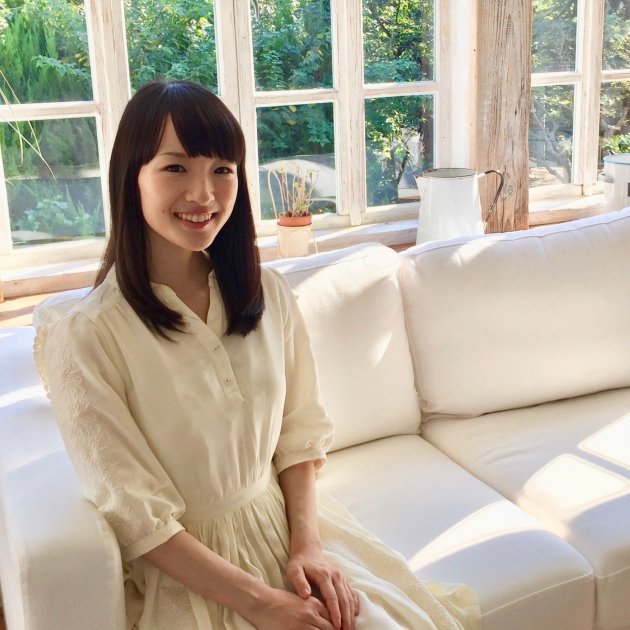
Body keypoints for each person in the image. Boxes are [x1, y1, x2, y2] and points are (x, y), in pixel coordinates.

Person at [35, 80, 479, 630]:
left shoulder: (267, 293)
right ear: (132, 177)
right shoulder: (86, 336)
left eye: (222, 169)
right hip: (192, 577)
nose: (204, 194)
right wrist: (259, 602)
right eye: (175, 168)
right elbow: (134, 512)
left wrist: (308, 547)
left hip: (290, 535)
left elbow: (299, 431)